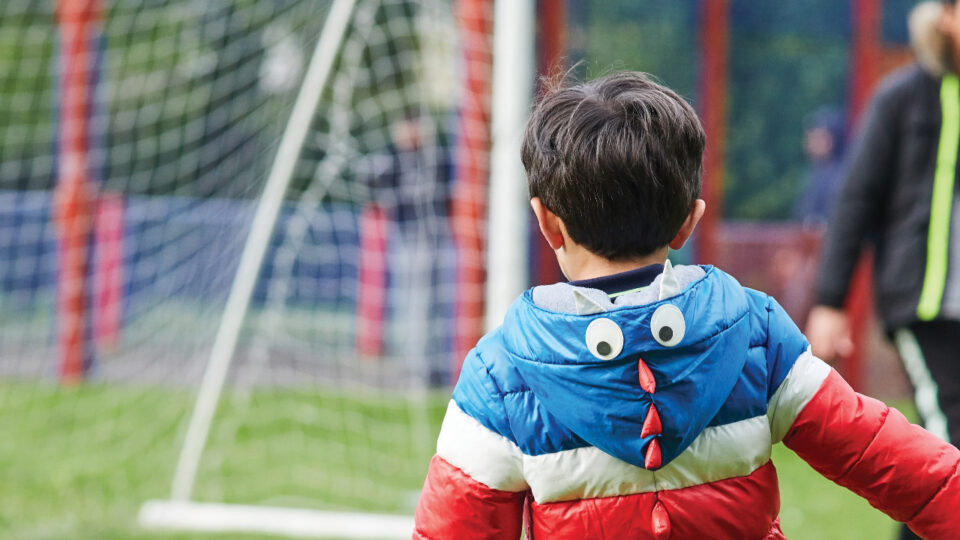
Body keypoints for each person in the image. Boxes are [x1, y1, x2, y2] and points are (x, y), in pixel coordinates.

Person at [412, 72, 960, 539]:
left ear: (546, 222)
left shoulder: (500, 378)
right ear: (688, 222)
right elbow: (910, 471)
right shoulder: (756, 336)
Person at [794, 106, 847, 225]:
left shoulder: (839, 176)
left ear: (831, 140)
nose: (808, 143)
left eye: (815, 137)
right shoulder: (816, 172)